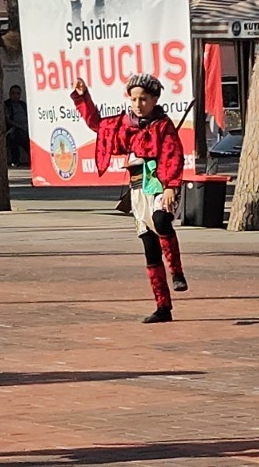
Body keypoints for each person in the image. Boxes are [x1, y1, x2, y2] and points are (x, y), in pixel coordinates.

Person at [70, 73, 188, 323]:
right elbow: (97, 125)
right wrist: (83, 97)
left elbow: (173, 155)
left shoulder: (163, 126)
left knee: (162, 221)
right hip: (137, 190)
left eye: (143, 99)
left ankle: (177, 272)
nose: (138, 104)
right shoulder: (125, 124)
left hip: (159, 186)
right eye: (134, 99)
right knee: (150, 249)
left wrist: (171, 187)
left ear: (155, 99)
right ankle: (163, 307)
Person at [5, 85, 29, 167]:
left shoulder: (23, 104)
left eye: (18, 93)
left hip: (26, 128)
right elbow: (8, 120)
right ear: (9, 94)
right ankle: (15, 161)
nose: (15, 95)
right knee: (16, 136)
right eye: (13, 93)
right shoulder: (6, 104)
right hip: (13, 129)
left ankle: (35, 159)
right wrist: (20, 126)